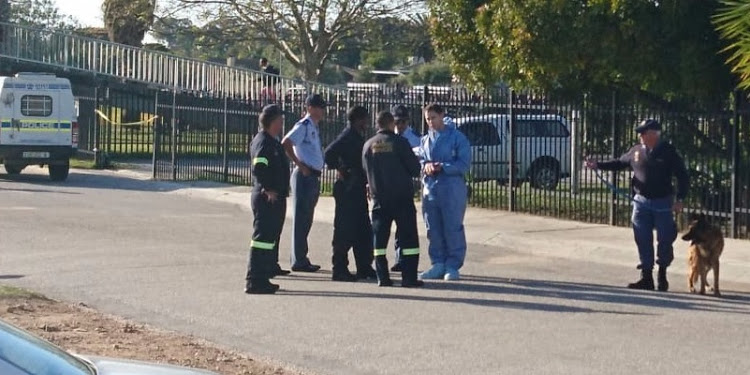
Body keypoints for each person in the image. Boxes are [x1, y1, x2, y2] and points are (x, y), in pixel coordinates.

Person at [585, 119, 689, 291]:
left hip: (663, 202)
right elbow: (620, 162)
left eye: (643, 132)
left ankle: (662, 274)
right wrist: (598, 165)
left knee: (665, 238)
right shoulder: (636, 151)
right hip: (641, 202)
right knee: (642, 238)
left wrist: (680, 199)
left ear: (654, 134)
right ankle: (646, 277)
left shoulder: (668, 151)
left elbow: (682, 176)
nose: (640, 136)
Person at [363, 111, 423, 287]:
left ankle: (383, 276)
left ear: (377, 124)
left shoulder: (368, 145)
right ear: (391, 124)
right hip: (402, 198)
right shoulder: (400, 143)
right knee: (408, 238)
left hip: (379, 199)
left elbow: (365, 171)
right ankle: (409, 277)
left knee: (379, 240)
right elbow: (414, 169)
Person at [417, 104, 472, 281]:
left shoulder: (457, 138)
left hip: (452, 189)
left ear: (442, 115)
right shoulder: (425, 140)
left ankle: (452, 265)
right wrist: (426, 166)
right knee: (433, 227)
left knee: (452, 227)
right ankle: (438, 263)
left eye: (433, 117)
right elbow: (421, 160)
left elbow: (463, 164)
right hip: (431, 190)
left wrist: (443, 167)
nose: (430, 122)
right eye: (427, 119)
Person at [323, 106, 378, 281]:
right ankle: (339, 268)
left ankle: (364, 266)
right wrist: (341, 168)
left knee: (363, 230)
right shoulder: (347, 136)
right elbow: (329, 154)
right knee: (344, 230)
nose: (366, 123)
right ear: (358, 120)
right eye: (365, 119)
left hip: (357, 189)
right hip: (347, 190)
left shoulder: (356, 136)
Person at [245, 104, 290, 294]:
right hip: (266, 198)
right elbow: (259, 166)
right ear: (272, 121)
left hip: (274, 197)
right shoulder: (264, 142)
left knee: (269, 238)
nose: (282, 123)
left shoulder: (271, 140)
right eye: (280, 119)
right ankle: (255, 280)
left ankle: (264, 275)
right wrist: (268, 188)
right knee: (262, 239)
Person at [281, 94, 327, 273]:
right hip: (304, 175)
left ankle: (301, 257)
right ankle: (298, 259)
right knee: (301, 219)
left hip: (312, 176)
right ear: (310, 108)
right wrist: (299, 165)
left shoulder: (313, 127)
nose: (322, 110)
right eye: (319, 107)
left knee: (306, 218)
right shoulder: (304, 125)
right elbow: (286, 142)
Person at [389, 104, 421, 272]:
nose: (399, 125)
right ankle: (398, 258)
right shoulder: (388, 137)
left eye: (402, 121)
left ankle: (403, 260)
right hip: (389, 186)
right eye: (396, 121)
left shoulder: (415, 139)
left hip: (405, 186)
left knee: (404, 226)